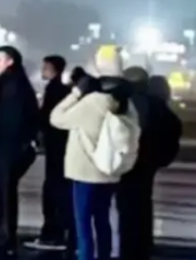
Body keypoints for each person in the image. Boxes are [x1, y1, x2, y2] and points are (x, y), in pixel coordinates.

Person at [50, 75, 139, 260]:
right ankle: (104, 255)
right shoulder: (127, 106)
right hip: (110, 171)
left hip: (85, 172)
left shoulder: (92, 102)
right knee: (102, 219)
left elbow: (56, 118)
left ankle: (86, 257)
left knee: (83, 223)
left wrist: (75, 94)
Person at [0, 45, 39, 257]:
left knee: (2, 193)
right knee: (2, 193)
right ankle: (4, 237)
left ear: (10, 61)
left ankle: (5, 239)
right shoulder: (13, 82)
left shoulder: (11, 84)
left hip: (6, 147)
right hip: (5, 146)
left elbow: (12, 117)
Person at [117, 67, 182, 260]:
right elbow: (173, 127)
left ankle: (130, 248)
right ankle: (143, 244)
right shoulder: (157, 105)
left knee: (127, 207)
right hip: (149, 162)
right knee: (143, 202)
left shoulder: (128, 103)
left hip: (130, 161)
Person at [26, 54, 74, 252]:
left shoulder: (54, 90)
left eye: (45, 67)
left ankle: (53, 233)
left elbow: (46, 117)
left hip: (56, 146)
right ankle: (63, 231)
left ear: (54, 69)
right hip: (61, 146)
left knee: (54, 189)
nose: (42, 70)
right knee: (60, 187)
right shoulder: (62, 90)